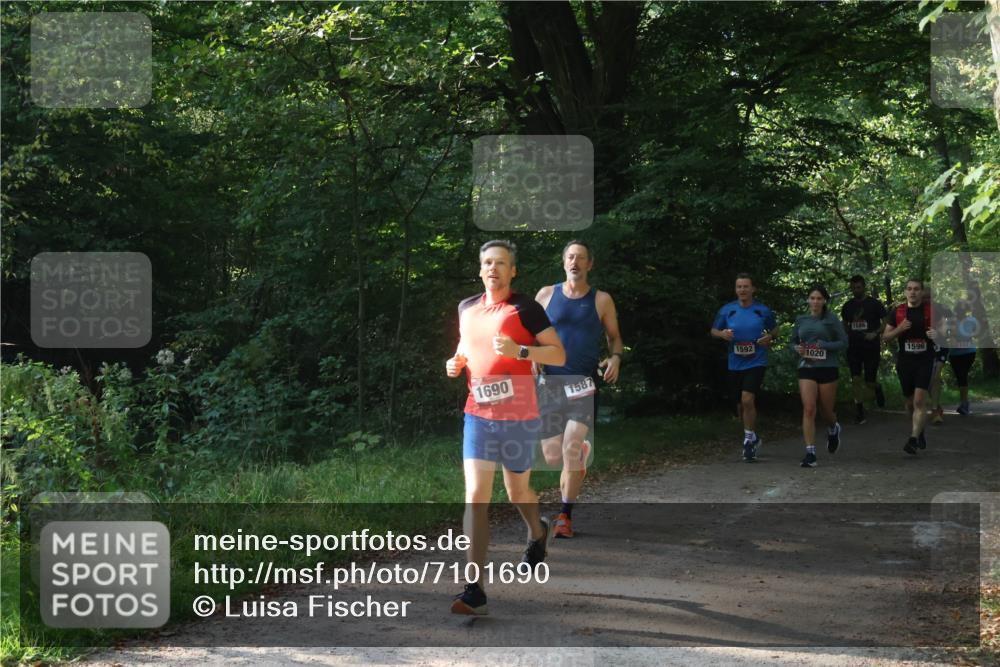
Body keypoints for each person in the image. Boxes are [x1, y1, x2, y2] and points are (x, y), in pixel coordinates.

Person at [445, 240, 566, 615]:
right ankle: (475, 589)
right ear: (480, 269)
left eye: (500, 263)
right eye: (487, 262)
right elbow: (465, 347)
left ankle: (538, 532)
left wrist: (521, 352)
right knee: (475, 497)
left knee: (517, 492)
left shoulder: (525, 308)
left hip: (518, 415)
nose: (492, 268)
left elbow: (558, 353)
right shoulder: (467, 308)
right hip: (478, 414)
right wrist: (454, 362)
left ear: (513, 270)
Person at [535, 241, 623, 539]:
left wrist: (615, 357)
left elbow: (614, 337)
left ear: (589, 264)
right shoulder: (546, 295)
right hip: (550, 385)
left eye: (581, 258)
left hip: (583, 385)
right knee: (552, 456)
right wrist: (531, 357)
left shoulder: (602, 300)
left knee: (570, 449)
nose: (574, 262)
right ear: (563, 262)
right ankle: (579, 457)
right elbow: (530, 334)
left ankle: (565, 516)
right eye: (570, 257)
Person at [711, 273, 778, 462]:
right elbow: (713, 330)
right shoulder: (727, 310)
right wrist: (722, 334)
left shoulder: (762, 310)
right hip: (735, 362)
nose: (742, 290)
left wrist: (770, 337)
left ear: (753, 289)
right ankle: (753, 436)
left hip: (756, 361)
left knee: (747, 399)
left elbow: (775, 329)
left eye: (746, 286)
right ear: (735, 289)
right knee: (740, 406)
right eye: (739, 287)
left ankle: (748, 442)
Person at [791, 284, 848, 467]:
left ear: (824, 301)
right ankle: (810, 453)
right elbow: (793, 341)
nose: (815, 302)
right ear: (808, 300)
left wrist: (825, 345)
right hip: (806, 367)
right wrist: (797, 348)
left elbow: (844, 342)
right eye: (812, 298)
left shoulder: (832, 319)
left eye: (819, 298)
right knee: (809, 408)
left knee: (826, 411)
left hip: (827, 367)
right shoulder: (801, 319)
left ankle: (833, 427)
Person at [882, 278, 938, 455]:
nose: (913, 292)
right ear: (905, 292)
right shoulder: (898, 312)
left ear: (922, 292)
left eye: (916, 289)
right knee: (909, 403)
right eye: (909, 289)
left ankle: (913, 439)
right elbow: (885, 337)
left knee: (919, 401)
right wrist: (899, 329)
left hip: (925, 360)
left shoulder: (931, 311)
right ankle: (919, 431)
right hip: (905, 362)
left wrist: (937, 333)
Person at [839, 275, 886, 424]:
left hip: (871, 347)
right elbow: (844, 323)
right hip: (854, 347)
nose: (856, 290)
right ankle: (859, 412)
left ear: (864, 287)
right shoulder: (847, 306)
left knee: (869, 382)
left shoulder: (874, 304)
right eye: (853, 288)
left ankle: (877, 388)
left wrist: (875, 333)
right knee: (855, 379)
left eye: (858, 287)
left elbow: (885, 322)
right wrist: (848, 333)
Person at [923, 286, 951, 426]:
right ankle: (937, 406)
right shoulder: (916, 309)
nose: (926, 300)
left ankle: (934, 411)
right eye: (924, 297)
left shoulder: (941, 308)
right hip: (925, 349)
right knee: (927, 380)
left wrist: (940, 332)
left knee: (935, 377)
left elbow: (949, 327)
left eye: (929, 297)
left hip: (941, 347)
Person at [945, 299, 978, 416]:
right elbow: (946, 334)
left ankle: (964, 404)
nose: (962, 310)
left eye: (964, 308)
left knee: (962, 375)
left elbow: (976, 334)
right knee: (960, 377)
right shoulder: (951, 321)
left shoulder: (972, 320)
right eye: (960, 308)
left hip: (969, 352)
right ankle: (964, 402)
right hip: (955, 353)